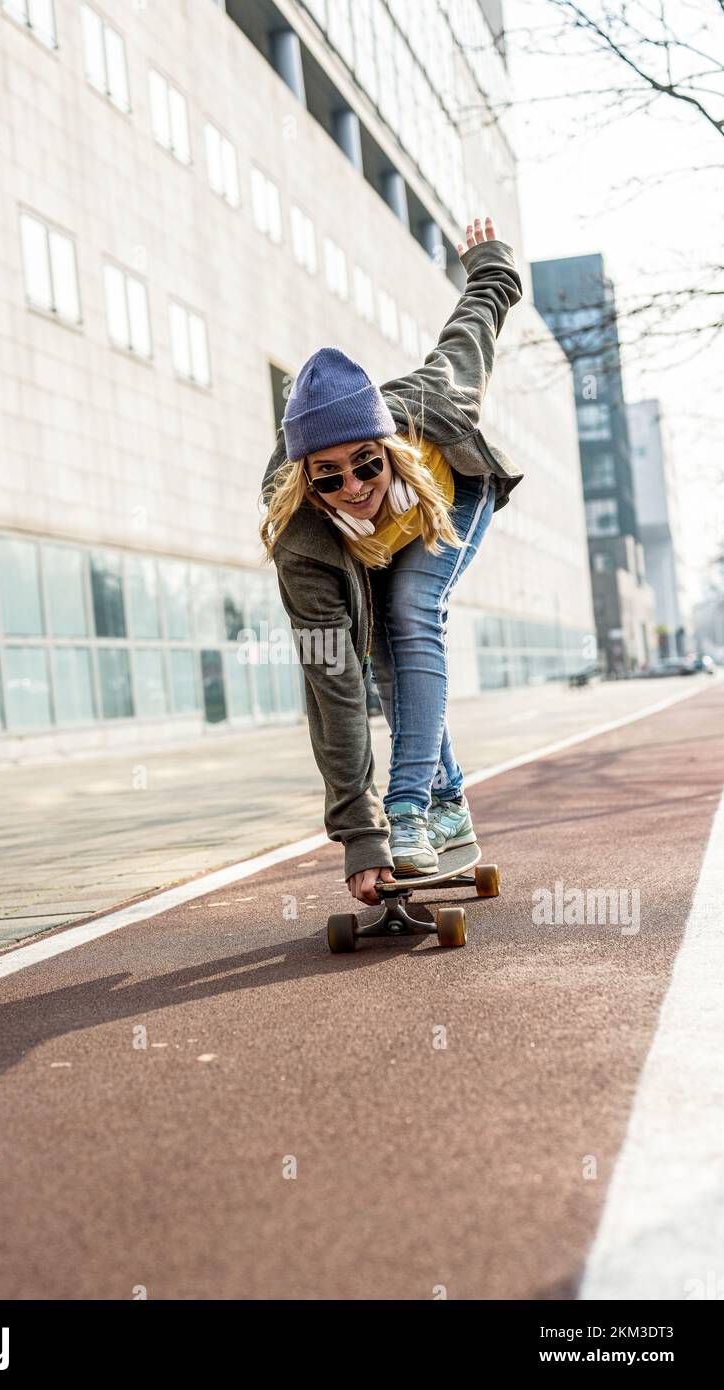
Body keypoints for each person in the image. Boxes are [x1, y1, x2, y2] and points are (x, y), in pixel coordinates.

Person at [260, 216, 523, 905]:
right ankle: (449, 801)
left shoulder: (431, 406)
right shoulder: (302, 538)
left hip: (448, 499)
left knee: (412, 611)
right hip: (364, 556)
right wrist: (360, 835)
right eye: (329, 476)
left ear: (386, 446)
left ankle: (414, 805)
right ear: (305, 477)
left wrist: (489, 266)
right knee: (376, 658)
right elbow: (330, 678)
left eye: (365, 464)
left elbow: (470, 338)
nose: (353, 488)